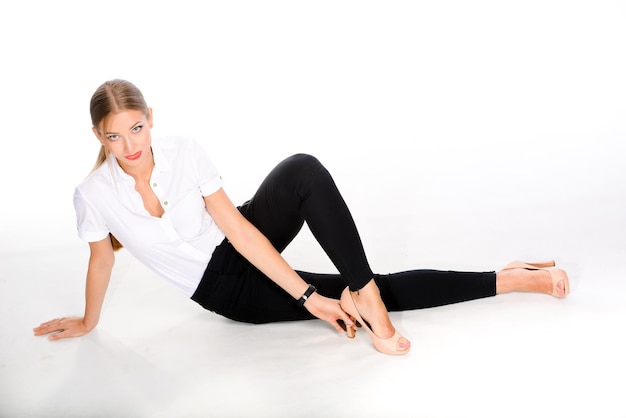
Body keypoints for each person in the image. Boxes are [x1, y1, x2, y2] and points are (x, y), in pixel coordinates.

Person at [33, 79, 570, 355]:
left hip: (237, 237)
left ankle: (367, 295)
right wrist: (88, 320)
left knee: (301, 169)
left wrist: (309, 296)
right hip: (223, 289)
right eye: (113, 135)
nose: (129, 145)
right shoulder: (93, 194)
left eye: (136, 128)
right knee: (366, 286)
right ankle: (510, 279)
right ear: (98, 136)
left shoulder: (183, 149)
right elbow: (100, 263)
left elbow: (238, 229)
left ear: (151, 120)